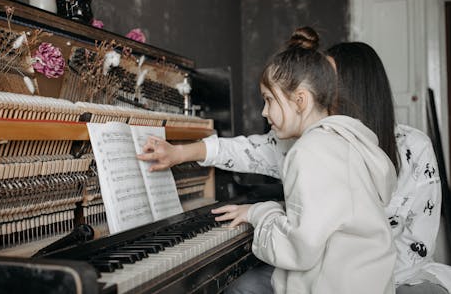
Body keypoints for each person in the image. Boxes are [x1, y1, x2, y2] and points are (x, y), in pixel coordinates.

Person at [139, 40, 451, 294]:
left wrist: (265, 211)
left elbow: (309, 241)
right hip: (361, 279)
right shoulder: (351, 143)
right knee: (245, 285)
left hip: (383, 276)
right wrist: (180, 153)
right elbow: (248, 149)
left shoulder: (405, 146)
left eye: (325, 79)